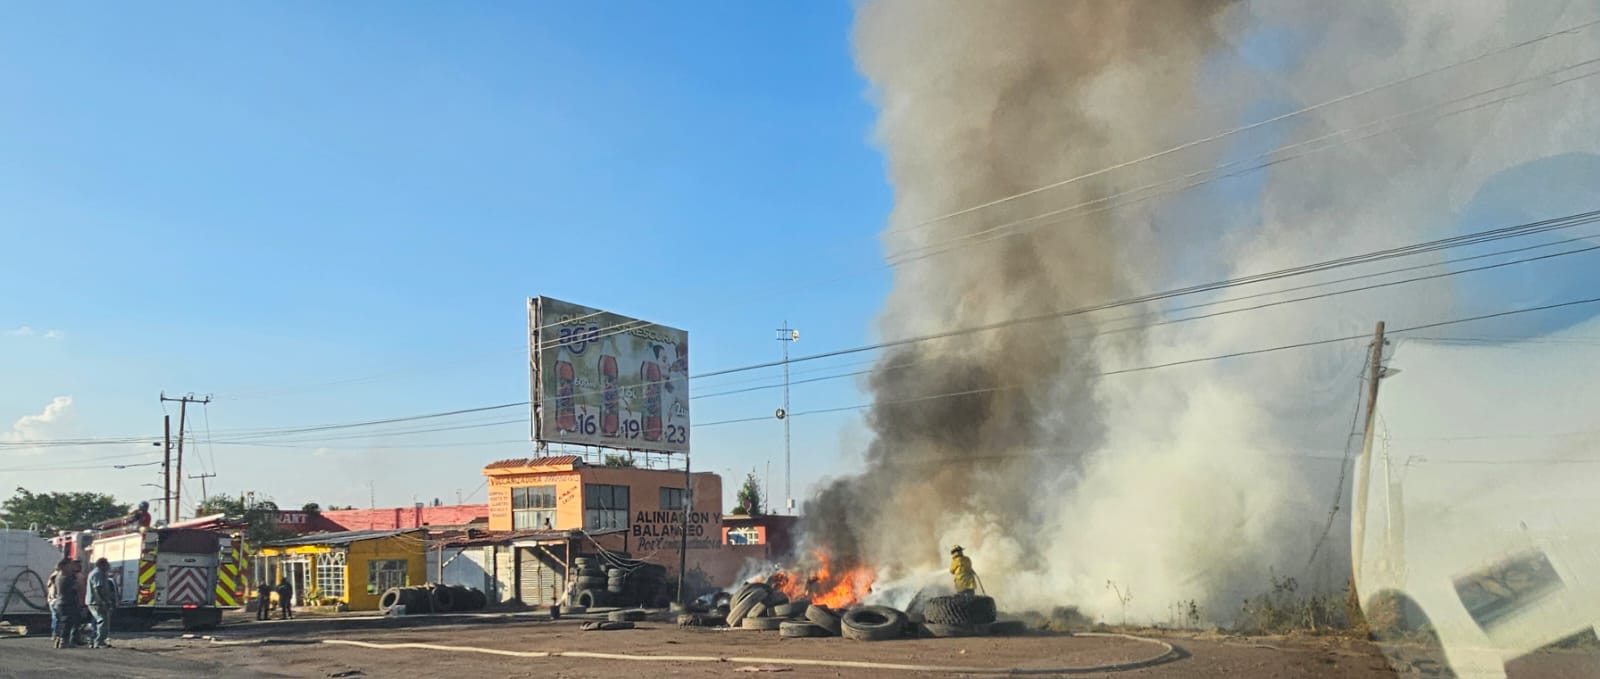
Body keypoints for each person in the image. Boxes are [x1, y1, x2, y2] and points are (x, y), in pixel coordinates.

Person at [85, 557, 117, 649]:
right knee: (103, 621)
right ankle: (99, 641)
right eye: (107, 564)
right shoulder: (98, 574)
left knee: (96, 621)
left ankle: (93, 640)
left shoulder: (96, 573)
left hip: (93, 601)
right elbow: (98, 588)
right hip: (97, 602)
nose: (108, 566)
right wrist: (104, 601)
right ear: (102, 565)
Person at [47, 558, 79, 649]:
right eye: (69, 565)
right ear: (64, 566)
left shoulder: (58, 577)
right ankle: (63, 641)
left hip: (60, 602)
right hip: (66, 602)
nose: (71, 567)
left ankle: (59, 640)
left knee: (62, 622)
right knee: (66, 623)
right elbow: (74, 589)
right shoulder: (64, 578)